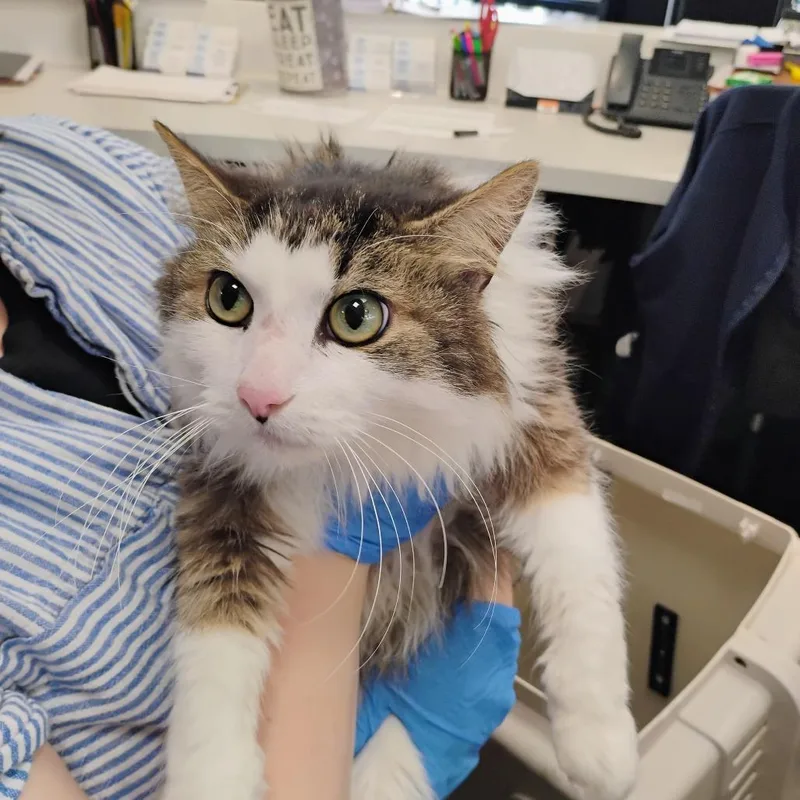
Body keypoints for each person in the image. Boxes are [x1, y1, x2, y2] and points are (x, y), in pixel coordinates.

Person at [0, 116, 521, 800]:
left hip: (437, 614)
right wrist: (338, 568)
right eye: (229, 299)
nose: (260, 390)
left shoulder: (53, 157)